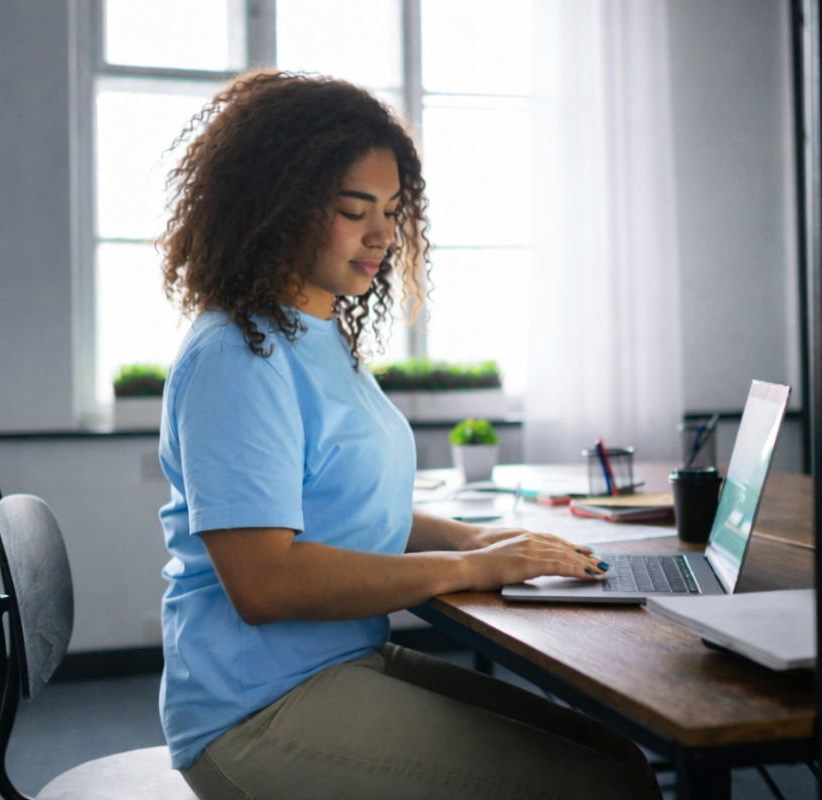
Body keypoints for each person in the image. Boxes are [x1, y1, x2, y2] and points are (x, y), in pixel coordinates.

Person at [156, 70, 661, 800]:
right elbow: (264, 582)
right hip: (253, 710)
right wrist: (469, 570)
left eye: (393, 211)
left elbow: (337, 503)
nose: (382, 235)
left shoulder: (316, 332)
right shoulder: (237, 357)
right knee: (599, 785)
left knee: (620, 760)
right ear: (277, 207)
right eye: (355, 210)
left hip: (337, 663)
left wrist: (468, 540)